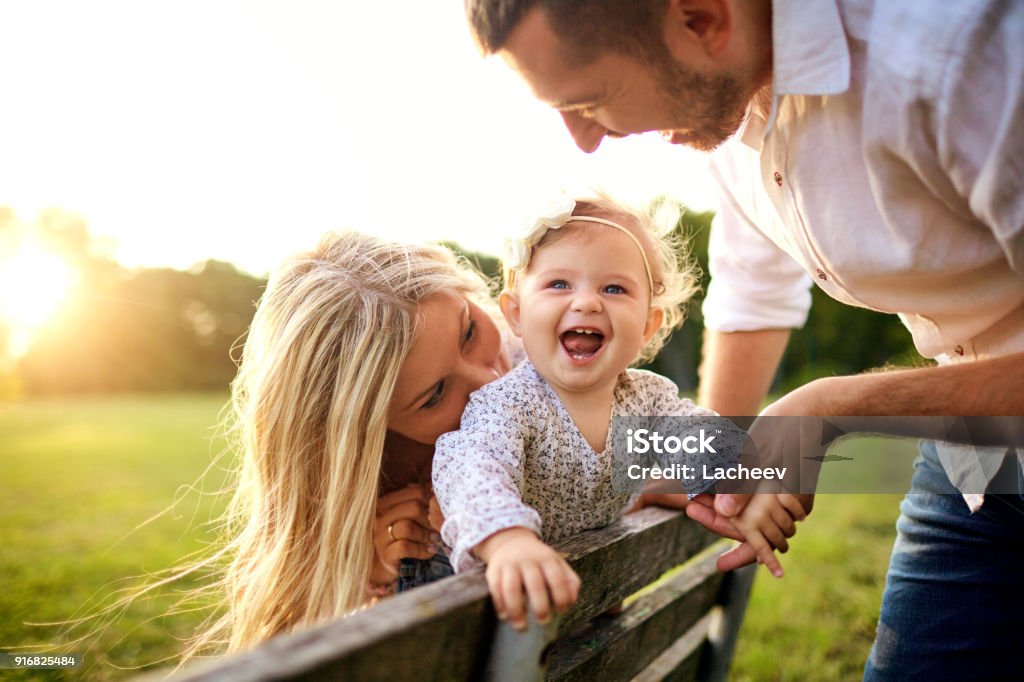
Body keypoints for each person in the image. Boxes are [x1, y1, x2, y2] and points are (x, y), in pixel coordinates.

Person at [463, 0, 1024, 678]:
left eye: (591, 99)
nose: (583, 140)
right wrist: (722, 475)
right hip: (981, 458)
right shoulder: (732, 122)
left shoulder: (963, 56)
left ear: (702, 19)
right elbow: (752, 295)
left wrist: (832, 409)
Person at [432, 193, 804, 631]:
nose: (587, 302)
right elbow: (471, 468)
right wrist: (507, 540)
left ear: (647, 325)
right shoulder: (507, 405)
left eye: (614, 288)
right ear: (515, 314)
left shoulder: (648, 402)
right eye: (558, 284)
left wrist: (745, 486)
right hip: (502, 614)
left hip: (586, 607)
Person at [187, 230, 518, 655]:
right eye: (434, 395)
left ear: (466, 291)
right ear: (372, 434)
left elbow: (629, 397)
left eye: (469, 332)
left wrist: (632, 472)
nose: (489, 382)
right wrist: (374, 575)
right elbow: (290, 639)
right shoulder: (377, 495)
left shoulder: (547, 356)